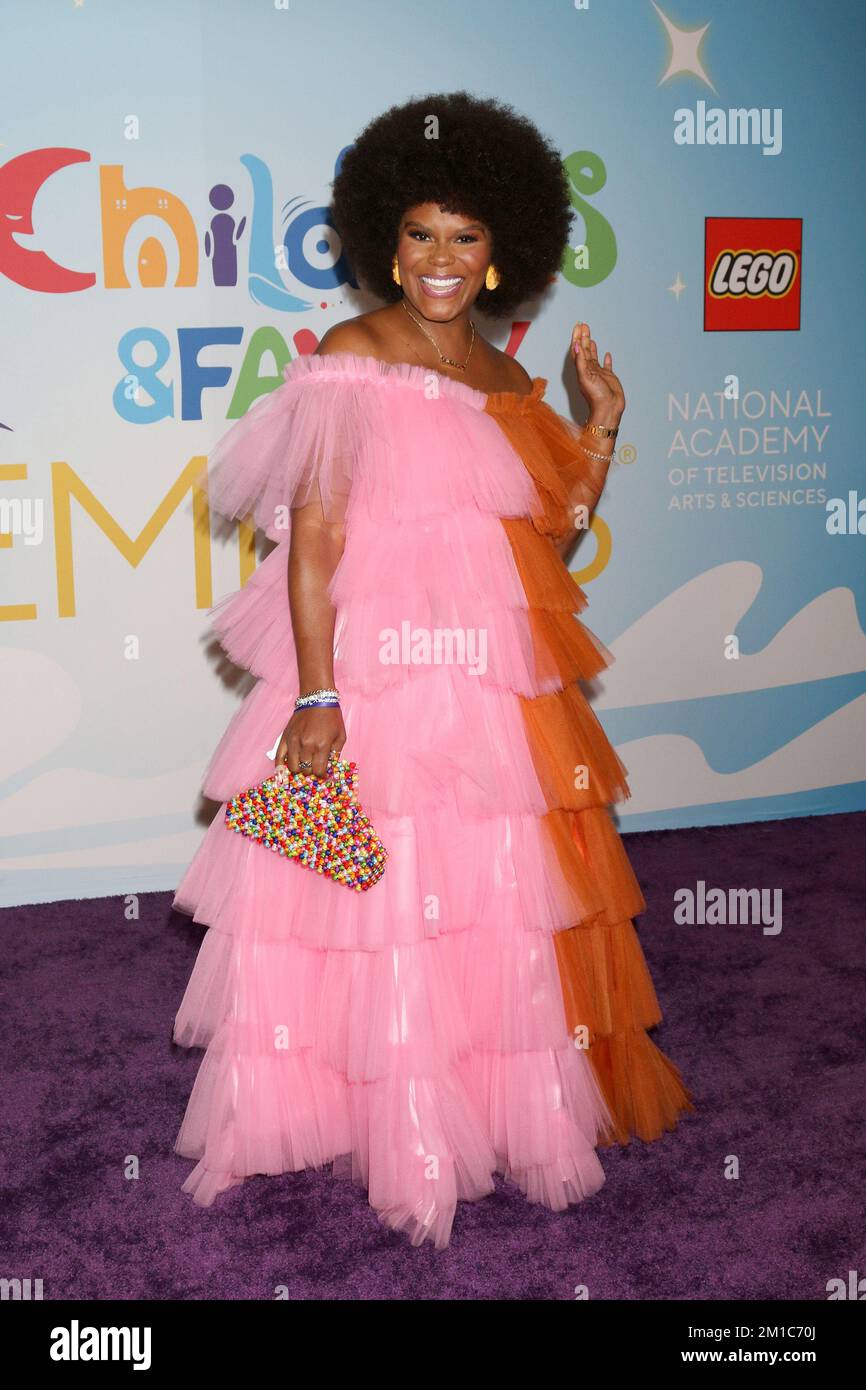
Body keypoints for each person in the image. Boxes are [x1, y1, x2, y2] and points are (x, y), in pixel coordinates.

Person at [171, 91, 694, 1249]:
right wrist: (316, 695)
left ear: (502, 249)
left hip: (484, 697)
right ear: (381, 243)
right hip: (369, 682)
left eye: (463, 235)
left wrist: (596, 423)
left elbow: (543, 539)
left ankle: (480, 1099)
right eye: (417, 233)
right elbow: (309, 547)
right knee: (368, 903)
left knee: (493, 904)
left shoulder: (511, 388)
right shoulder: (351, 359)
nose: (439, 260)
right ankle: (381, 1119)